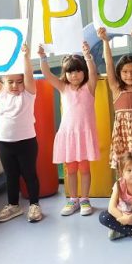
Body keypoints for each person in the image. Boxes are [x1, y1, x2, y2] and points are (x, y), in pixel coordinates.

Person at [0, 43, 42, 223]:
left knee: (29, 174)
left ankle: (34, 205)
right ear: (3, 82)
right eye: (10, 81)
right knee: (11, 175)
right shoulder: (1, 94)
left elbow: (28, 76)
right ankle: (13, 206)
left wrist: (26, 57)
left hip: (27, 142)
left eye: (19, 81)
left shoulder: (29, 95)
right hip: (4, 143)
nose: (15, 85)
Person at [38, 42, 99, 216]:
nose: (74, 75)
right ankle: (73, 199)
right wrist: (43, 58)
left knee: (85, 169)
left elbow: (93, 72)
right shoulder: (63, 88)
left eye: (78, 71)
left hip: (84, 135)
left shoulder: (89, 87)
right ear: (65, 74)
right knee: (71, 170)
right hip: (68, 136)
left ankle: (85, 199)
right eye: (70, 71)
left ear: (84, 72)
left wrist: (87, 56)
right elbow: (47, 75)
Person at [97, 27, 132, 169]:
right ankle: (123, 191)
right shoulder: (116, 89)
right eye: (125, 72)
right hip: (122, 132)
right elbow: (109, 64)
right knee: (123, 165)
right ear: (119, 73)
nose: (129, 75)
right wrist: (105, 41)